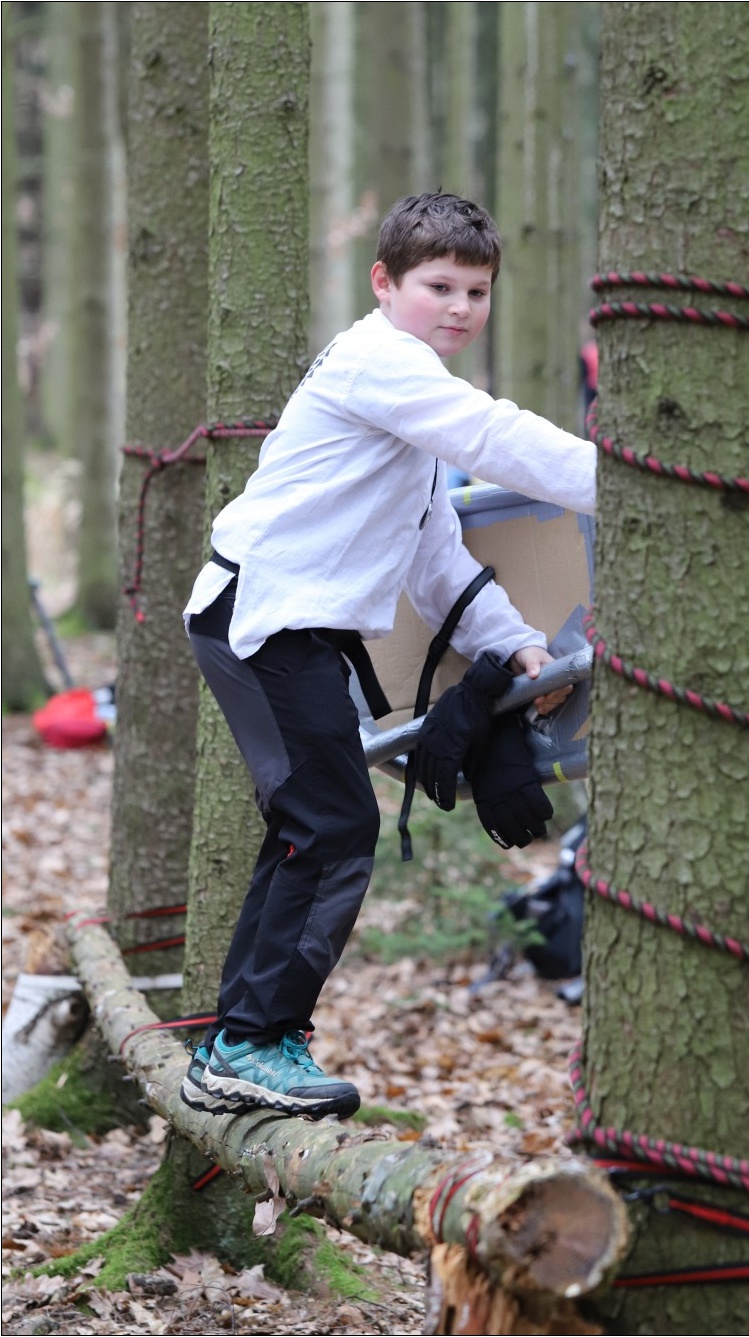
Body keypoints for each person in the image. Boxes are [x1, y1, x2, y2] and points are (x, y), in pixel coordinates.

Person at [179, 193, 597, 1121]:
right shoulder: (380, 362)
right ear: (384, 282)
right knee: (331, 825)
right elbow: (492, 435)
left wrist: (516, 643)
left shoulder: (407, 406)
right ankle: (250, 1044)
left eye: (476, 291)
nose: (459, 307)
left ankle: (241, 1041)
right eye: (437, 286)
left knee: (310, 825)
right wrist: (627, 479)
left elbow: (436, 559)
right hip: (263, 620)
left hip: (284, 628)